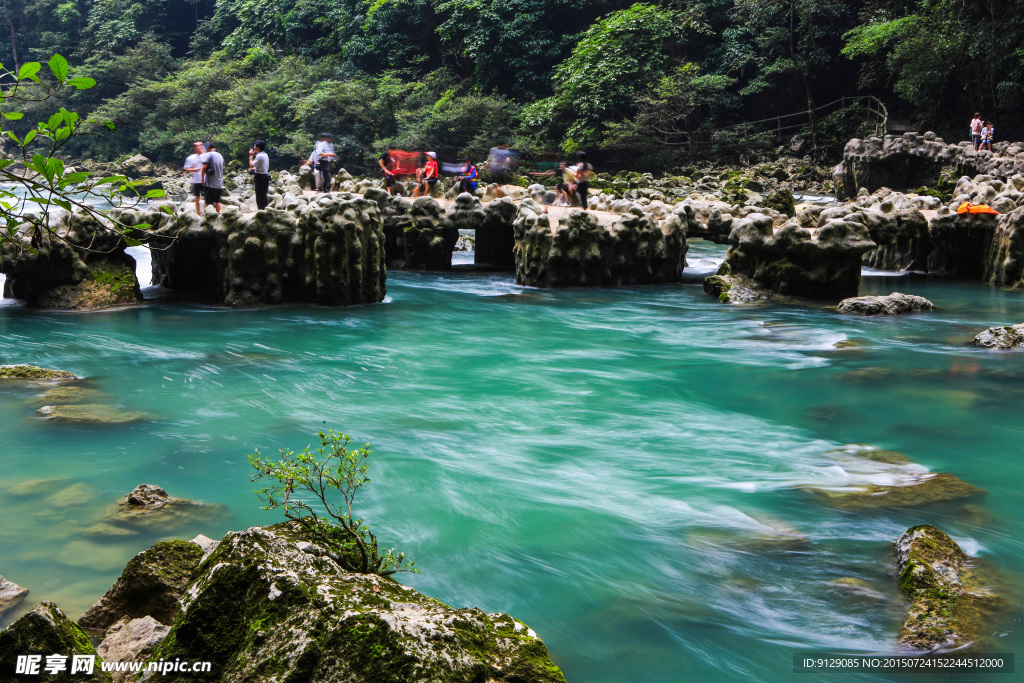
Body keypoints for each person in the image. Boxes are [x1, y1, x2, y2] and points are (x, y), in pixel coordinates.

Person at [200, 141, 224, 214]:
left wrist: (202, 178)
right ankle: (217, 215)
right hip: (219, 182)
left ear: (207, 147)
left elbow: (204, 167)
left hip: (210, 183)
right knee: (217, 201)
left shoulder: (208, 154)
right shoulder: (220, 155)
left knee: (208, 201)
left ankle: (208, 216)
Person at [183, 141, 205, 216]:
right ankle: (198, 214)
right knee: (197, 198)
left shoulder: (206, 156)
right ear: (194, 148)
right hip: (196, 180)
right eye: (197, 146)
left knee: (207, 197)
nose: (199, 147)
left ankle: (208, 213)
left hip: (207, 179)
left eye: (201, 146)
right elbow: (186, 169)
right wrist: (193, 170)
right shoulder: (190, 158)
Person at [249, 140, 270, 211]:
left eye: (254, 146)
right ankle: (264, 211)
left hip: (260, 178)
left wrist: (251, 156)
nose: (254, 147)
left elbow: (251, 165)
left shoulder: (259, 156)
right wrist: (255, 168)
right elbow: (262, 166)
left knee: (259, 196)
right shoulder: (265, 154)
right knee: (263, 196)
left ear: (258, 147)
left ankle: (261, 211)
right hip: (265, 177)